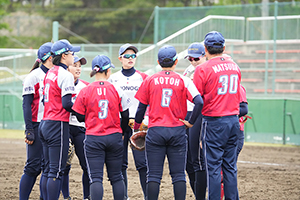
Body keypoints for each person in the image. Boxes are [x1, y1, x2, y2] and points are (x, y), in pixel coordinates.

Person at [134, 45, 203, 200]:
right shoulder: (183, 80)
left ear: (158, 62)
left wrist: (137, 128)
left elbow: (140, 108)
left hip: (156, 131)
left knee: (153, 176)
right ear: (176, 61)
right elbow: (199, 102)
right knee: (178, 175)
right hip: (177, 131)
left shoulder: (150, 79)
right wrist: (191, 122)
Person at [72, 55, 130, 200]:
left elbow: (78, 116)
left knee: (96, 178)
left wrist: (92, 118)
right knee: (116, 177)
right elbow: (126, 115)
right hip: (114, 135)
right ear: (108, 70)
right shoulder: (116, 89)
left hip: (93, 137)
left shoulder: (85, 90)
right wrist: (121, 132)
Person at [193, 31, 241, 200]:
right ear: (224, 47)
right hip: (234, 120)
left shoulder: (202, 69)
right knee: (230, 166)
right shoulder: (235, 66)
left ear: (205, 49)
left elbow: (197, 98)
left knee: (213, 167)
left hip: (214, 121)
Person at [39, 39, 80, 200]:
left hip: (45, 122)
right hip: (58, 124)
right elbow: (66, 104)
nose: (73, 56)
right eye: (71, 53)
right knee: (56, 170)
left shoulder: (50, 72)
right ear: (64, 56)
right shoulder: (65, 75)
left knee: (48, 169)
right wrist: (82, 113)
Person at [108, 43, 148, 199]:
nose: (131, 59)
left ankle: (147, 196)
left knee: (142, 164)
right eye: (127, 56)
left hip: (139, 124)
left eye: (133, 56)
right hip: (120, 123)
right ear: (120, 59)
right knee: (120, 163)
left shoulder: (143, 77)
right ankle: (123, 196)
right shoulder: (113, 79)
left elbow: (149, 102)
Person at [20, 42, 53, 200]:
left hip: (52, 124)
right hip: (37, 123)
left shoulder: (58, 74)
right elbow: (26, 105)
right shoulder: (33, 76)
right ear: (48, 57)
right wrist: (29, 129)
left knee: (48, 167)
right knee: (33, 166)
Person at [61, 55, 90, 200]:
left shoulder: (85, 86)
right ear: (67, 67)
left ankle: (87, 196)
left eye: (80, 66)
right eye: (75, 65)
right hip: (65, 126)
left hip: (80, 128)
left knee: (86, 165)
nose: (78, 68)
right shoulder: (61, 82)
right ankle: (66, 197)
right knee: (65, 165)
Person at [183, 42, 207, 200]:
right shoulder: (189, 70)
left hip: (200, 115)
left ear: (205, 55)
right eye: (190, 58)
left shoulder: (207, 70)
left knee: (198, 160)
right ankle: (198, 195)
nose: (193, 61)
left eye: (196, 58)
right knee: (187, 162)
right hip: (187, 114)